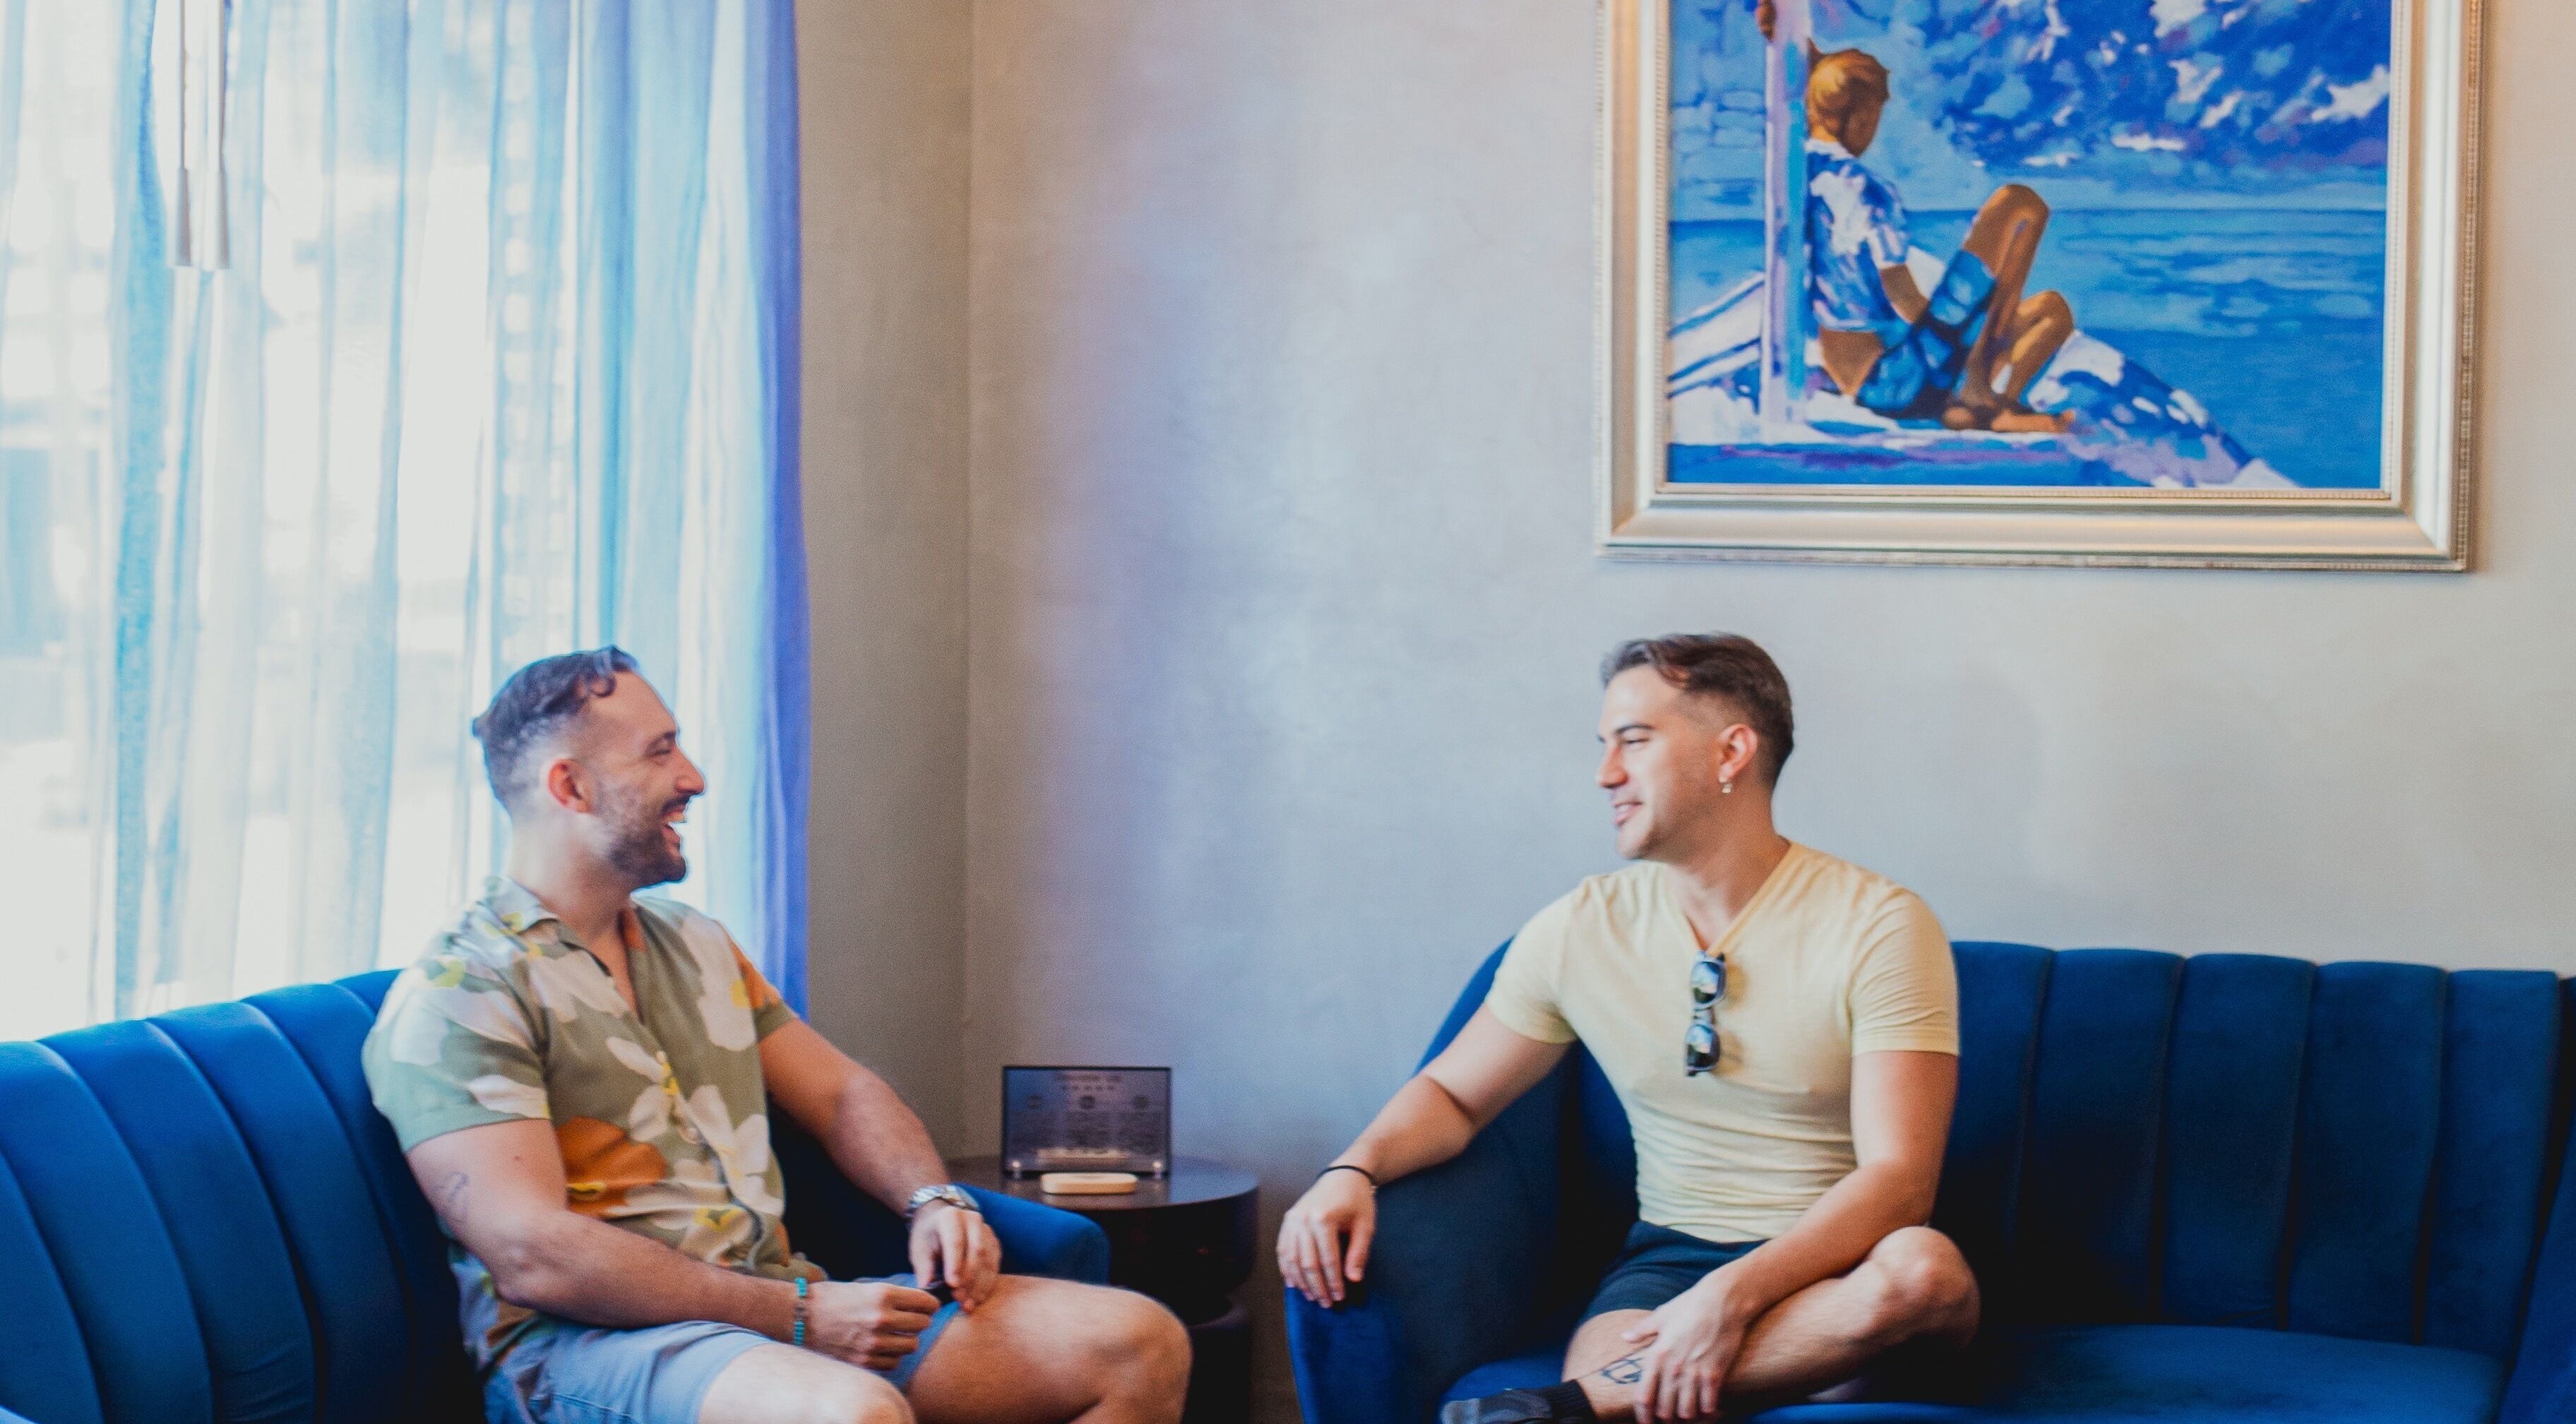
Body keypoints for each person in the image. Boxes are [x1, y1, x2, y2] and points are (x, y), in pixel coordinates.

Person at [364, 648, 1190, 1424]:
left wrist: (931, 1198)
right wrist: (799, 1315)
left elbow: (841, 1094)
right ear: (569, 787)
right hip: (591, 1350)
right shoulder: (462, 989)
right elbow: (534, 1254)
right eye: (660, 753)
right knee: (852, 1413)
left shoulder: (693, 942)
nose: (693, 777)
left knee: (1139, 1346)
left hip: (775, 1314)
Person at [1278, 635, 1979, 1424]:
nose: (1605, 773)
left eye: (1634, 741)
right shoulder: (1580, 926)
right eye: (1604, 745)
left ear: (1732, 751)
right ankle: (1601, 1400)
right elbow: (1453, 1092)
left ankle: (1576, 1408)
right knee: (1628, 1365)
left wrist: (1731, 1299)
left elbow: (1900, 1181)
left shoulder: (1881, 923)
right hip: (1668, 1262)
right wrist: (1354, 1169)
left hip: (1840, 1266)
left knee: (1926, 1273)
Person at [1759, 1, 2075, 433]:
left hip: (1876, 374)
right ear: (1863, 116)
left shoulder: (1804, 165)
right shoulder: (1863, 190)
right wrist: (1964, 329)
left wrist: (1786, 36)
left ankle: (1984, 397)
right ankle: (1982, 395)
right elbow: (1902, 296)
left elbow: (1832, 88)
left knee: (2053, 311)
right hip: (1891, 380)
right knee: (2018, 204)